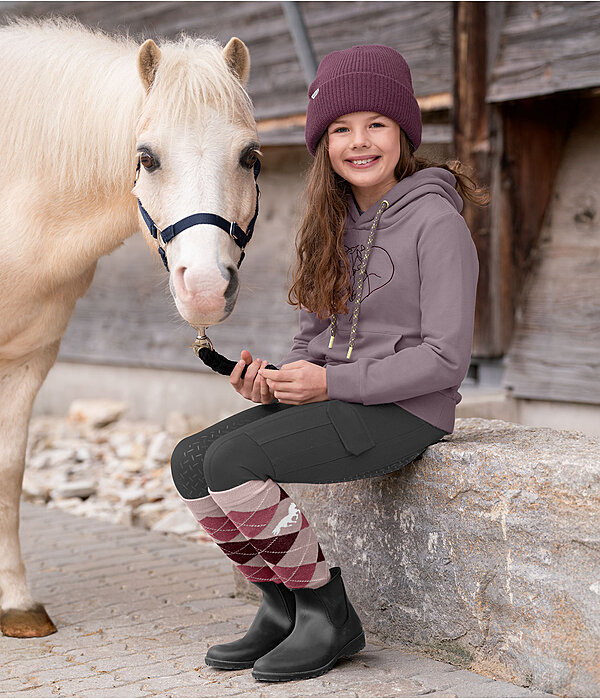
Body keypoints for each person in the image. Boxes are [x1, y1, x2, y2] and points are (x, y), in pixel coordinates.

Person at [170, 44, 487, 683]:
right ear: (323, 143)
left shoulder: (436, 221)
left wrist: (329, 383)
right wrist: (275, 385)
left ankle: (327, 612)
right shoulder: (330, 223)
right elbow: (311, 342)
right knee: (191, 461)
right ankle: (280, 604)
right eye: (340, 129)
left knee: (235, 464)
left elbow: (447, 360)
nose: (359, 142)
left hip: (406, 411)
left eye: (376, 124)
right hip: (340, 400)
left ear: (403, 131)